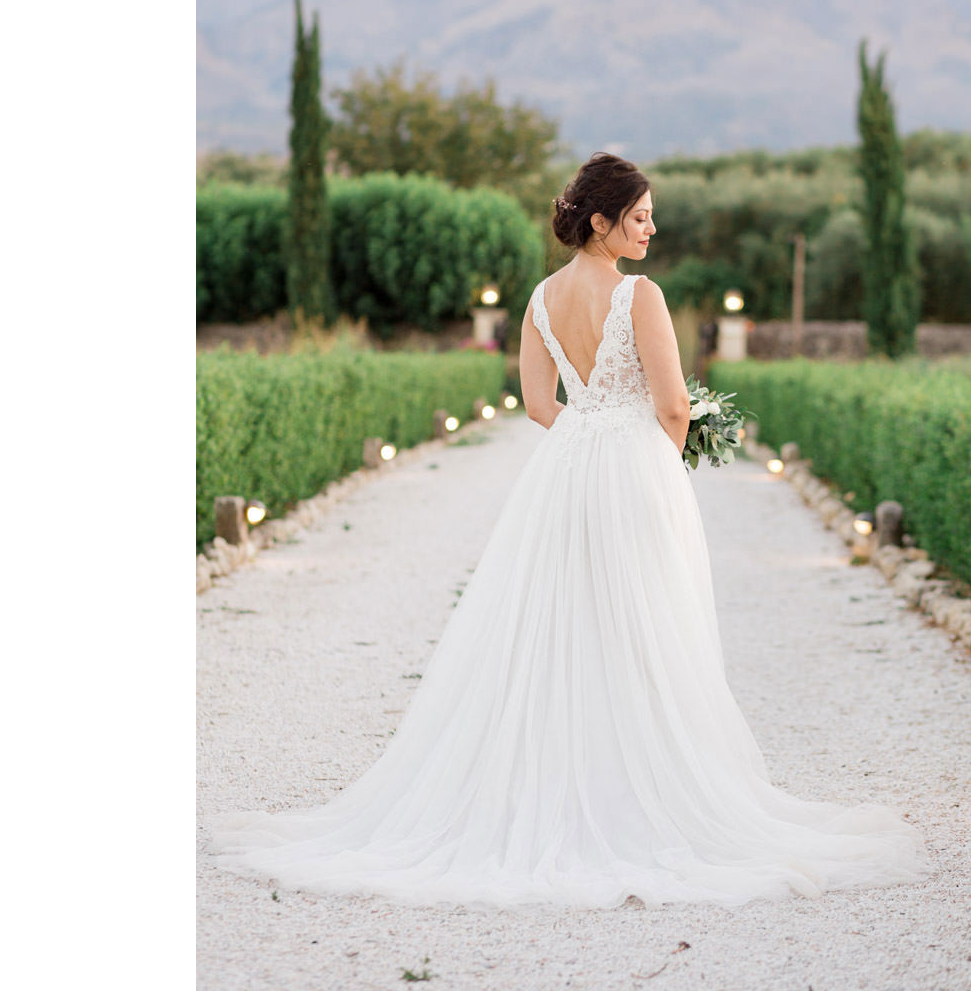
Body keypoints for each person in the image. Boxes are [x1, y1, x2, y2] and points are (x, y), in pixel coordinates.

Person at [207, 152, 929, 908]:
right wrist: (657, 445)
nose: (652, 229)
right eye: (640, 216)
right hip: (633, 470)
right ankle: (638, 787)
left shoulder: (540, 298)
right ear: (600, 221)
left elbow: (537, 403)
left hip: (568, 468)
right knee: (644, 623)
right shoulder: (639, 296)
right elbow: (674, 405)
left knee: (562, 621)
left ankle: (554, 781)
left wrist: (592, 428)